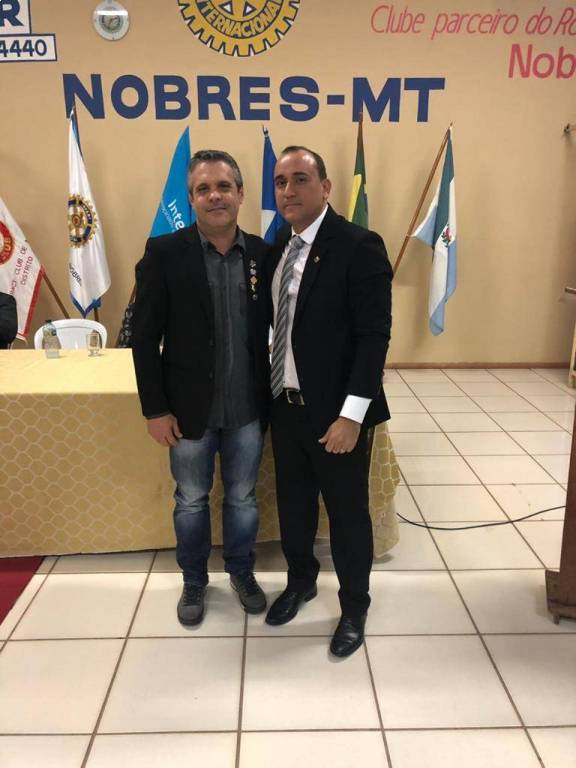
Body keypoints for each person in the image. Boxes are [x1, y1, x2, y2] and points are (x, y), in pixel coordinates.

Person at [132, 150, 270, 626]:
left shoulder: (263, 255)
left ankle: (242, 573)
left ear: (240, 193)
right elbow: (144, 338)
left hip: (247, 410)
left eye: (224, 186)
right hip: (188, 412)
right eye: (203, 189)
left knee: (242, 498)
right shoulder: (164, 253)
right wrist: (155, 409)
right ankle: (194, 579)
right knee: (190, 500)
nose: (215, 196)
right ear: (191, 198)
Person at [264, 146, 393, 658]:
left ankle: (355, 606)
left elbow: (374, 337)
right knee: (294, 506)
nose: (288, 191)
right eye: (280, 182)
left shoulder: (359, 245)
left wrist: (351, 416)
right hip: (285, 404)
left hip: (337, 415)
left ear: (325, 187)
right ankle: (301, 582)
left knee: (346, 515)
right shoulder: (279, 245)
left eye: (300, 179)